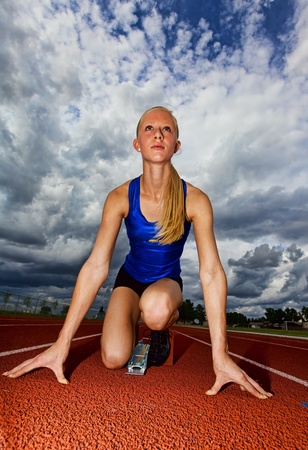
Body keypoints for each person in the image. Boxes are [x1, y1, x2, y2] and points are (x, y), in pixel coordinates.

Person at [3, 106, 272, 399]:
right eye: (149, 129)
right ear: (137, 144)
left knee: (155, 311)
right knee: (113, 359)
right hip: (130, 280)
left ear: (176, 146)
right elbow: (96, 266)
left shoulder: (195, 200)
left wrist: (220, 354)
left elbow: (211, 272)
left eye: (166, 129)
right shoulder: (119, 196)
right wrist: (61, 342)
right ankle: (130, 320)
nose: (158, 133)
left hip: (166, 285)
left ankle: (163, 325)